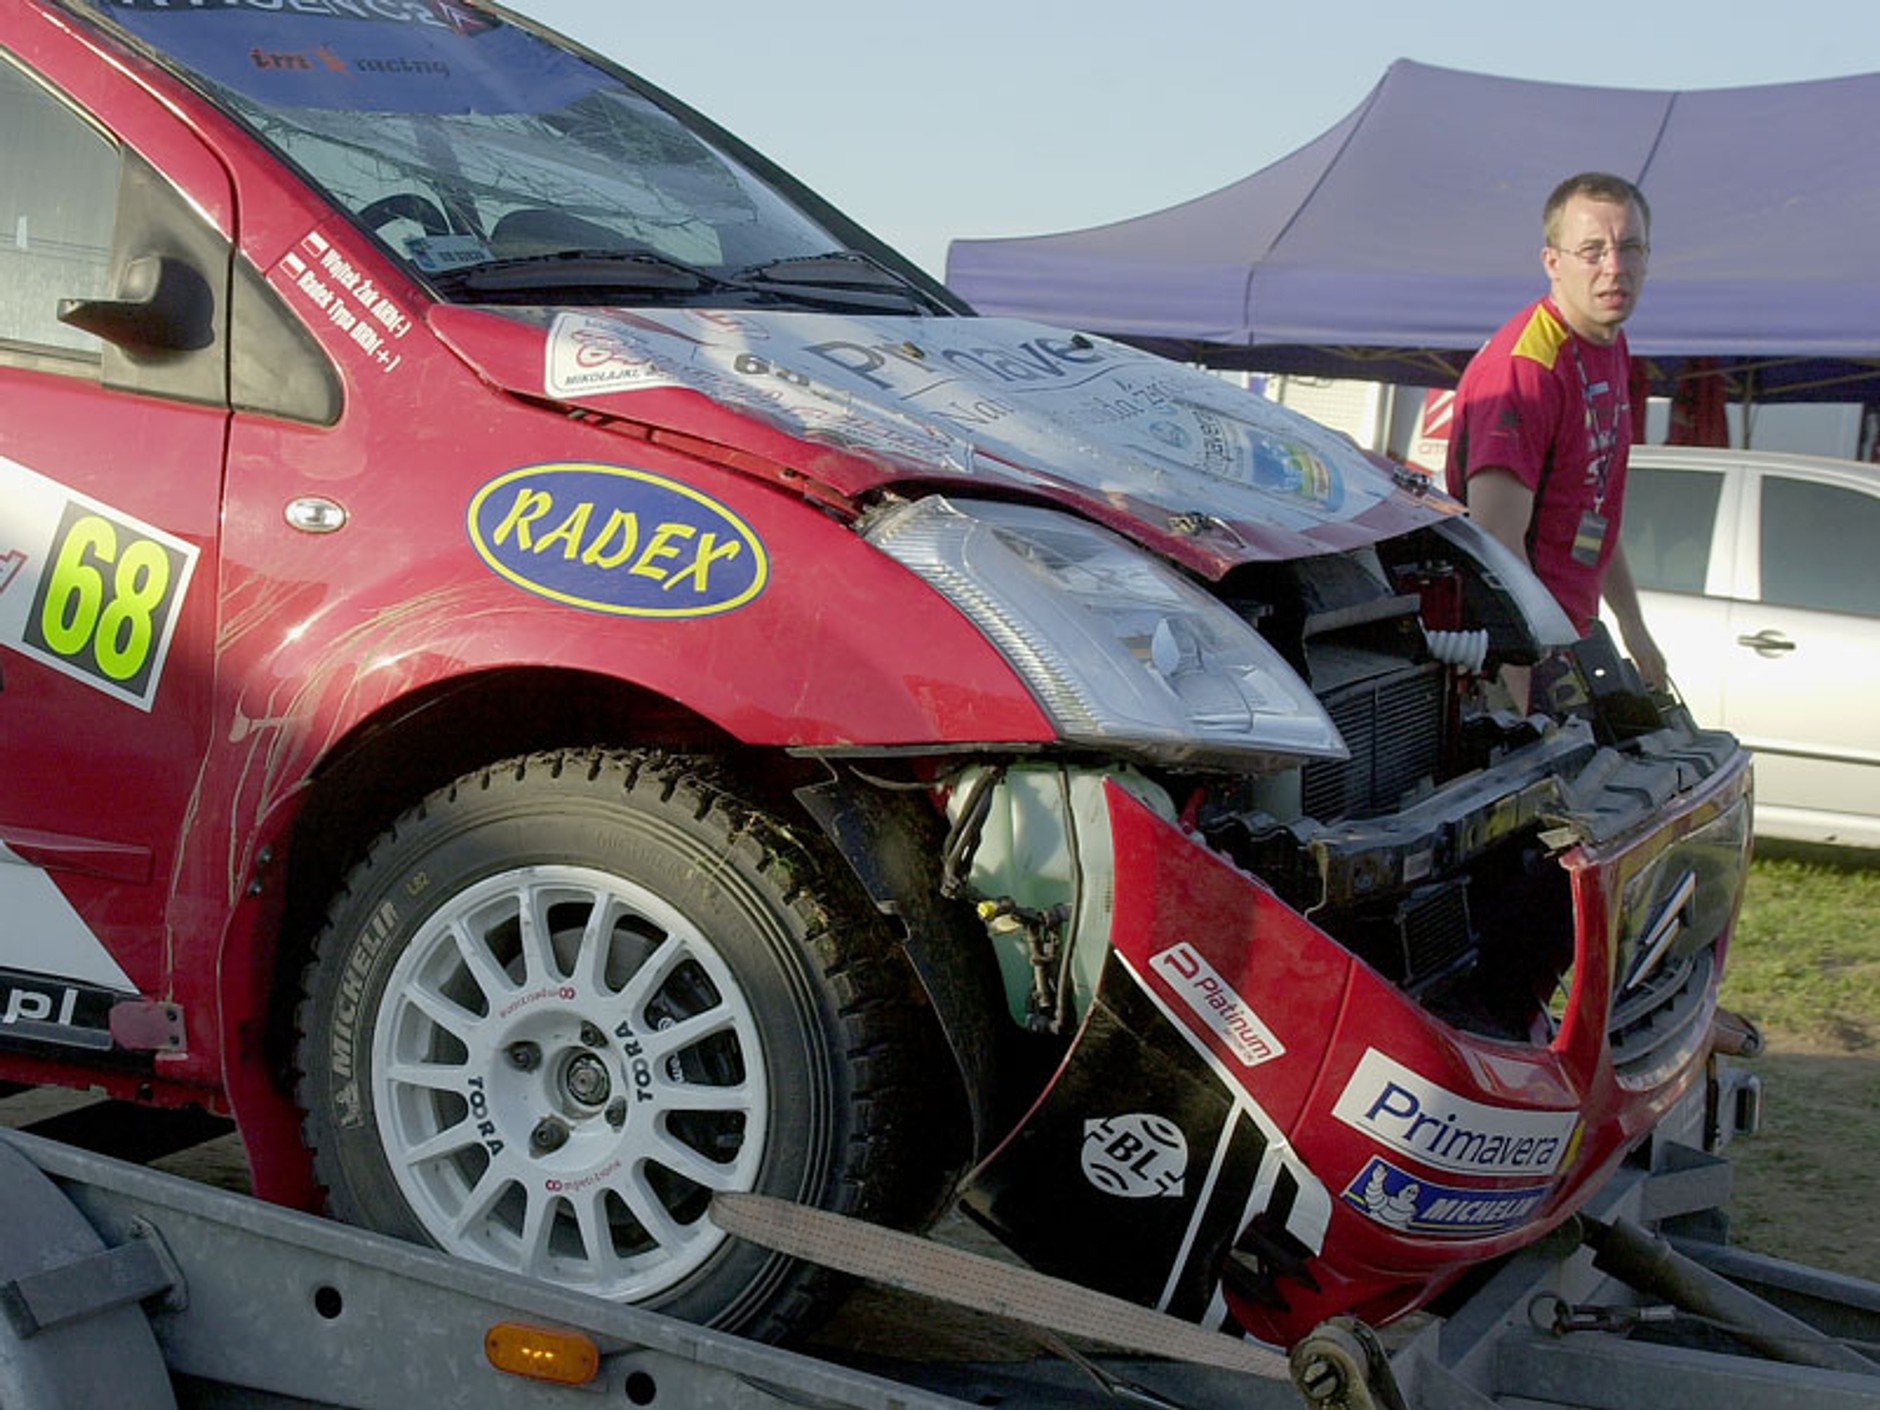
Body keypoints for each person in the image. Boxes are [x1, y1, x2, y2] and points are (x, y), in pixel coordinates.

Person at [1445, 171, 1667, 707]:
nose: (1614, 268)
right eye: (1592, 251)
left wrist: (1634, 626)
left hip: (1571, 633)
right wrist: (1525, 674)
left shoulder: (1609, 343)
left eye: (1629, 247)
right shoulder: (1526, 366)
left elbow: (1596, 507)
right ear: (1553, 262)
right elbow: (1496, 537)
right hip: (1517, 647)